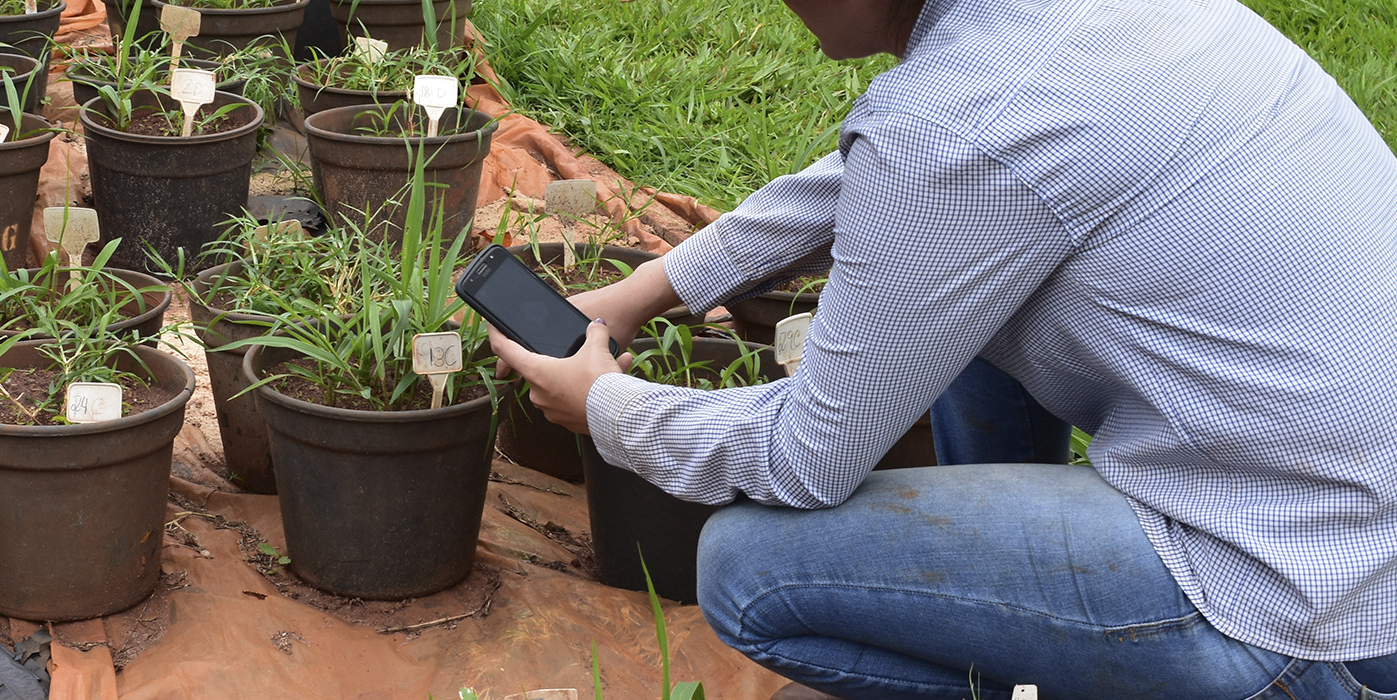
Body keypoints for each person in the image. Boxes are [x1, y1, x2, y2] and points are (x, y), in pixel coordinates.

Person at [486, 0, 1397, 694]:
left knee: (748, 569)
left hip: (1301, 592)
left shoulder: (956, 124)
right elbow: (874, 181)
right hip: (1348, 500)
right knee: (959, 317)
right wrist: (648, 289)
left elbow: (802, 460)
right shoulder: (1061, 32)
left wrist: (605, 405)